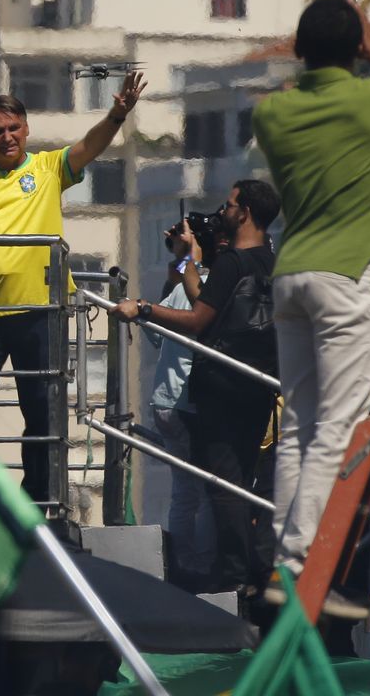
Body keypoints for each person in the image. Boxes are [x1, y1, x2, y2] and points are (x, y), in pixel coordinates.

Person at [251, 0, 370, 602]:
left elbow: (285, 88)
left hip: (291, 273)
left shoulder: (272, 115)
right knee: (342, 423)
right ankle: (303, 564)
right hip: (347, 273)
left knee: (299, 422)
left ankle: (283, 558)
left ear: (300, 48)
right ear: (354, 47)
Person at [0, 72, 146, 502]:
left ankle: (37, 507)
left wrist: (117, 116)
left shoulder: (47, 168)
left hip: (41, 314)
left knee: (42, 417)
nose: (6, 138)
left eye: (13, 129)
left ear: (26, 129)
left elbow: (88, 148)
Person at [111, 179, 280, 599]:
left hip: (220, 389)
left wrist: (144, 308)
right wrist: (188, 261)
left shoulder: (231, 263)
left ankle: (230, 575)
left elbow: (198, 320)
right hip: (257, 387)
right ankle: (246, 571)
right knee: (241, 481)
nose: (224, 209)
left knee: (219, 485)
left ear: (245, 213)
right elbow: (205, 298)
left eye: (231, 204)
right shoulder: (273, 261)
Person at [144, 220, 218, 590]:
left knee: (183, 489)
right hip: (187, 403)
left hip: (165, 399)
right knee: (204, 491)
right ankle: (199, 565)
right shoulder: (207, 290)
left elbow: (152, 333)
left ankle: (183, 561)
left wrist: (179, 260)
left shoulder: (177, 289)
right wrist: (186, 258)